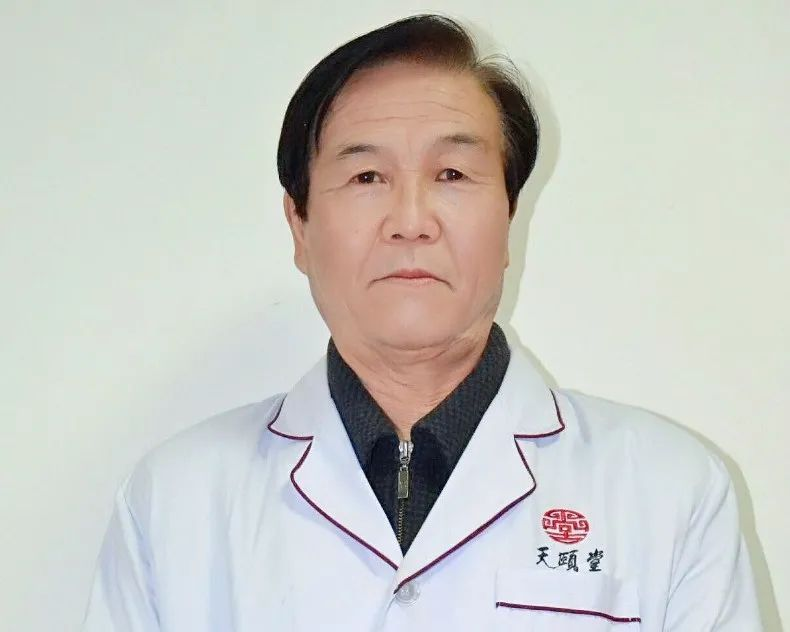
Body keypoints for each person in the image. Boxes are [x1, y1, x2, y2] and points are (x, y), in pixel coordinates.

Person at [82, 13, 762, 631]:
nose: (411, 222)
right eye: (367, 177)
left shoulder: (669, 490)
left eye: (453, 174)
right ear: (299, 226)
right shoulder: (176, 500)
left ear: (509, 218)